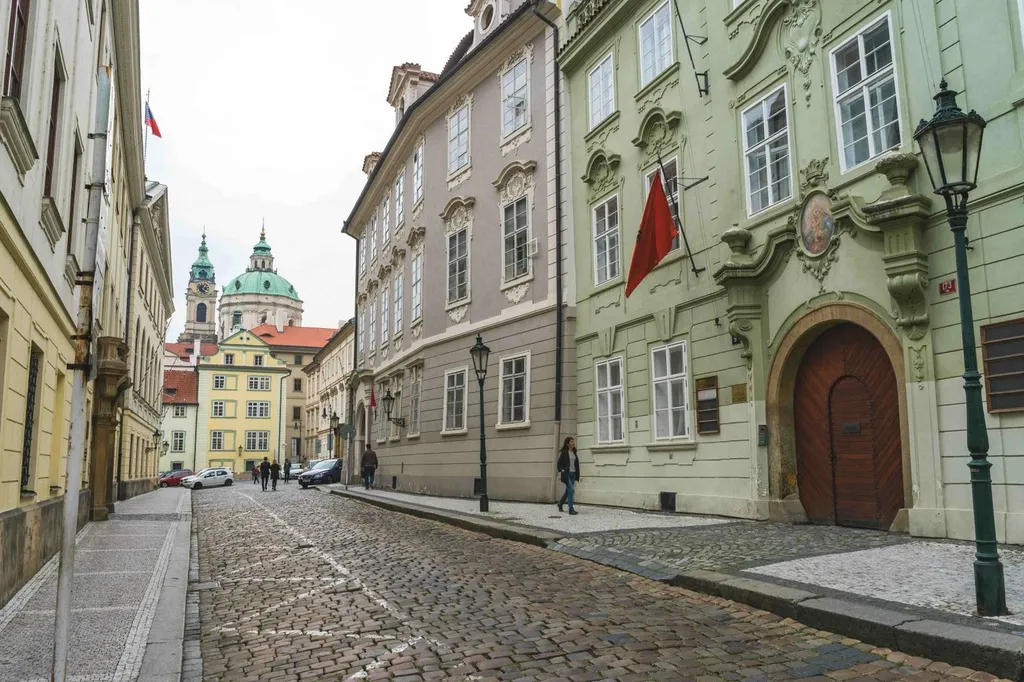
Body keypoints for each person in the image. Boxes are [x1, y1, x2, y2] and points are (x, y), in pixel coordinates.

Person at [556, 436, 580, 515]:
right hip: (567, 474)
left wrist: (577, 472)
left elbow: (575, 463)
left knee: (568, 491)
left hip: (573, 473)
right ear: (567, 444)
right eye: (571, 442)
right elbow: (559, 463)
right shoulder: (564, 452)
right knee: (571, 490)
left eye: (573, 441)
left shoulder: (574, 451)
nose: (573, 443)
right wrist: (562, 470)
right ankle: (571, 509)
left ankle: (560, 503)